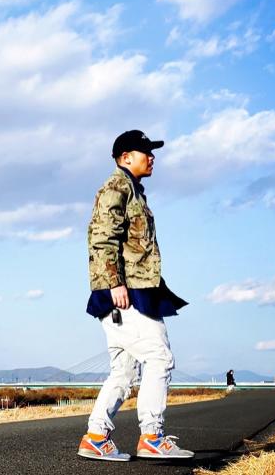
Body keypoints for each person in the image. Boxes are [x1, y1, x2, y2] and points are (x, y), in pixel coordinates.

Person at [77, 130, 194, 462]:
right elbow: (102, 238)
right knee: (159, 358)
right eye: (146, 151)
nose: (152, 157)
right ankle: (152, 437)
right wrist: (115, 283)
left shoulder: (132, 190)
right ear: (125, 157)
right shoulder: (117, 187)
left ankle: (96, 437)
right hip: (126, 294)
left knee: (124, 372)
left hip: (128, 292)